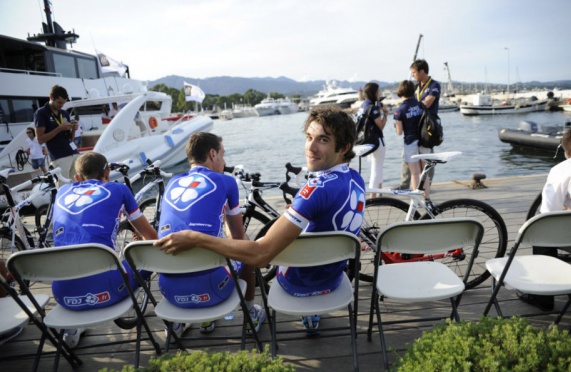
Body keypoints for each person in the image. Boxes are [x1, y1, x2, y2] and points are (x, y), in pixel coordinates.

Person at [154, 104, 366, 335]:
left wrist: (195, 238)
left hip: (297, 284)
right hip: (333, 280)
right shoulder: (356, 178)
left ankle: (256, 312)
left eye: (323, 140)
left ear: (344, 147)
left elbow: (260, 255)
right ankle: (311, 313)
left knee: (245, 250)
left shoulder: (315, 190)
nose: (310, 147)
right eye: (308, 137)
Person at [156, 132, 265, 337]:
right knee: (246, 246)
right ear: (212, 154)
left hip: (171, 294)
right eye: (223, 155)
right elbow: (238, 237)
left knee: (188, 254)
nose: (224, 162)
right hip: (215, 291)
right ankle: (250, 313)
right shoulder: (226, 182)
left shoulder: (172, 183)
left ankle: (183, 322)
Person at [51, 152, 158, 347]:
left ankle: (73, 327)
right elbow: (152, 238)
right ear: (107, 172)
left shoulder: (61, 192)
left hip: (63, 295)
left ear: (77, 178)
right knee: (151, 257)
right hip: (107, 292)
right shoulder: (119, 190)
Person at [519, 126, 571, 311]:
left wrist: (568, 208)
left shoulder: (563, 169)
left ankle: (543, 297)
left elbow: (548, 214)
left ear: (567, 152)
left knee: (542, 234)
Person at [399, 59, 441, 190]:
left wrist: (410, 108)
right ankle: (405, 185)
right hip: (414, 127)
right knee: (406, 156)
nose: (412, 75)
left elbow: (427, 103)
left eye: (414, 73)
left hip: (427, 126)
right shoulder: (416, 87)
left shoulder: (434, 85)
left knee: (427, 158)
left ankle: (426, 186)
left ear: (422, 71)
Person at [393, 80, 432, 201]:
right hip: (424, 141)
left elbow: (399, 132)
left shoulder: (400, 110)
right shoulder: (421, 105)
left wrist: (396, 125)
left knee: (415, 173)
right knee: (424, 173)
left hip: (410, 142)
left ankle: (416, 200)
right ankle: (427, 198)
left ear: (401, 92)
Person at [34, 85, 79, 184]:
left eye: (63, 103)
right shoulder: (41, 113)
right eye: (59, 102)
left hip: (74, 153)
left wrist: (73, 130)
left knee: (76, 186)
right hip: (59, 157)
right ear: (51, 97)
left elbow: (70, 139)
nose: (61, 105)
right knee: (63, 189)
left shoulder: (64, 113)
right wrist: (59, 128)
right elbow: (40, 139)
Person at [357, 82, 388, 198]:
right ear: (375, 93)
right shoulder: (373, 108)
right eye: (378, 91)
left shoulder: (363, 105)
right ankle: (372, 197)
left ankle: (380, 192)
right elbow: (380, 126)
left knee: (376, 167)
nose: (380, 93)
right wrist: (385, 114)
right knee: (376, 169)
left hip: (366, 141)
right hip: (376, 141)